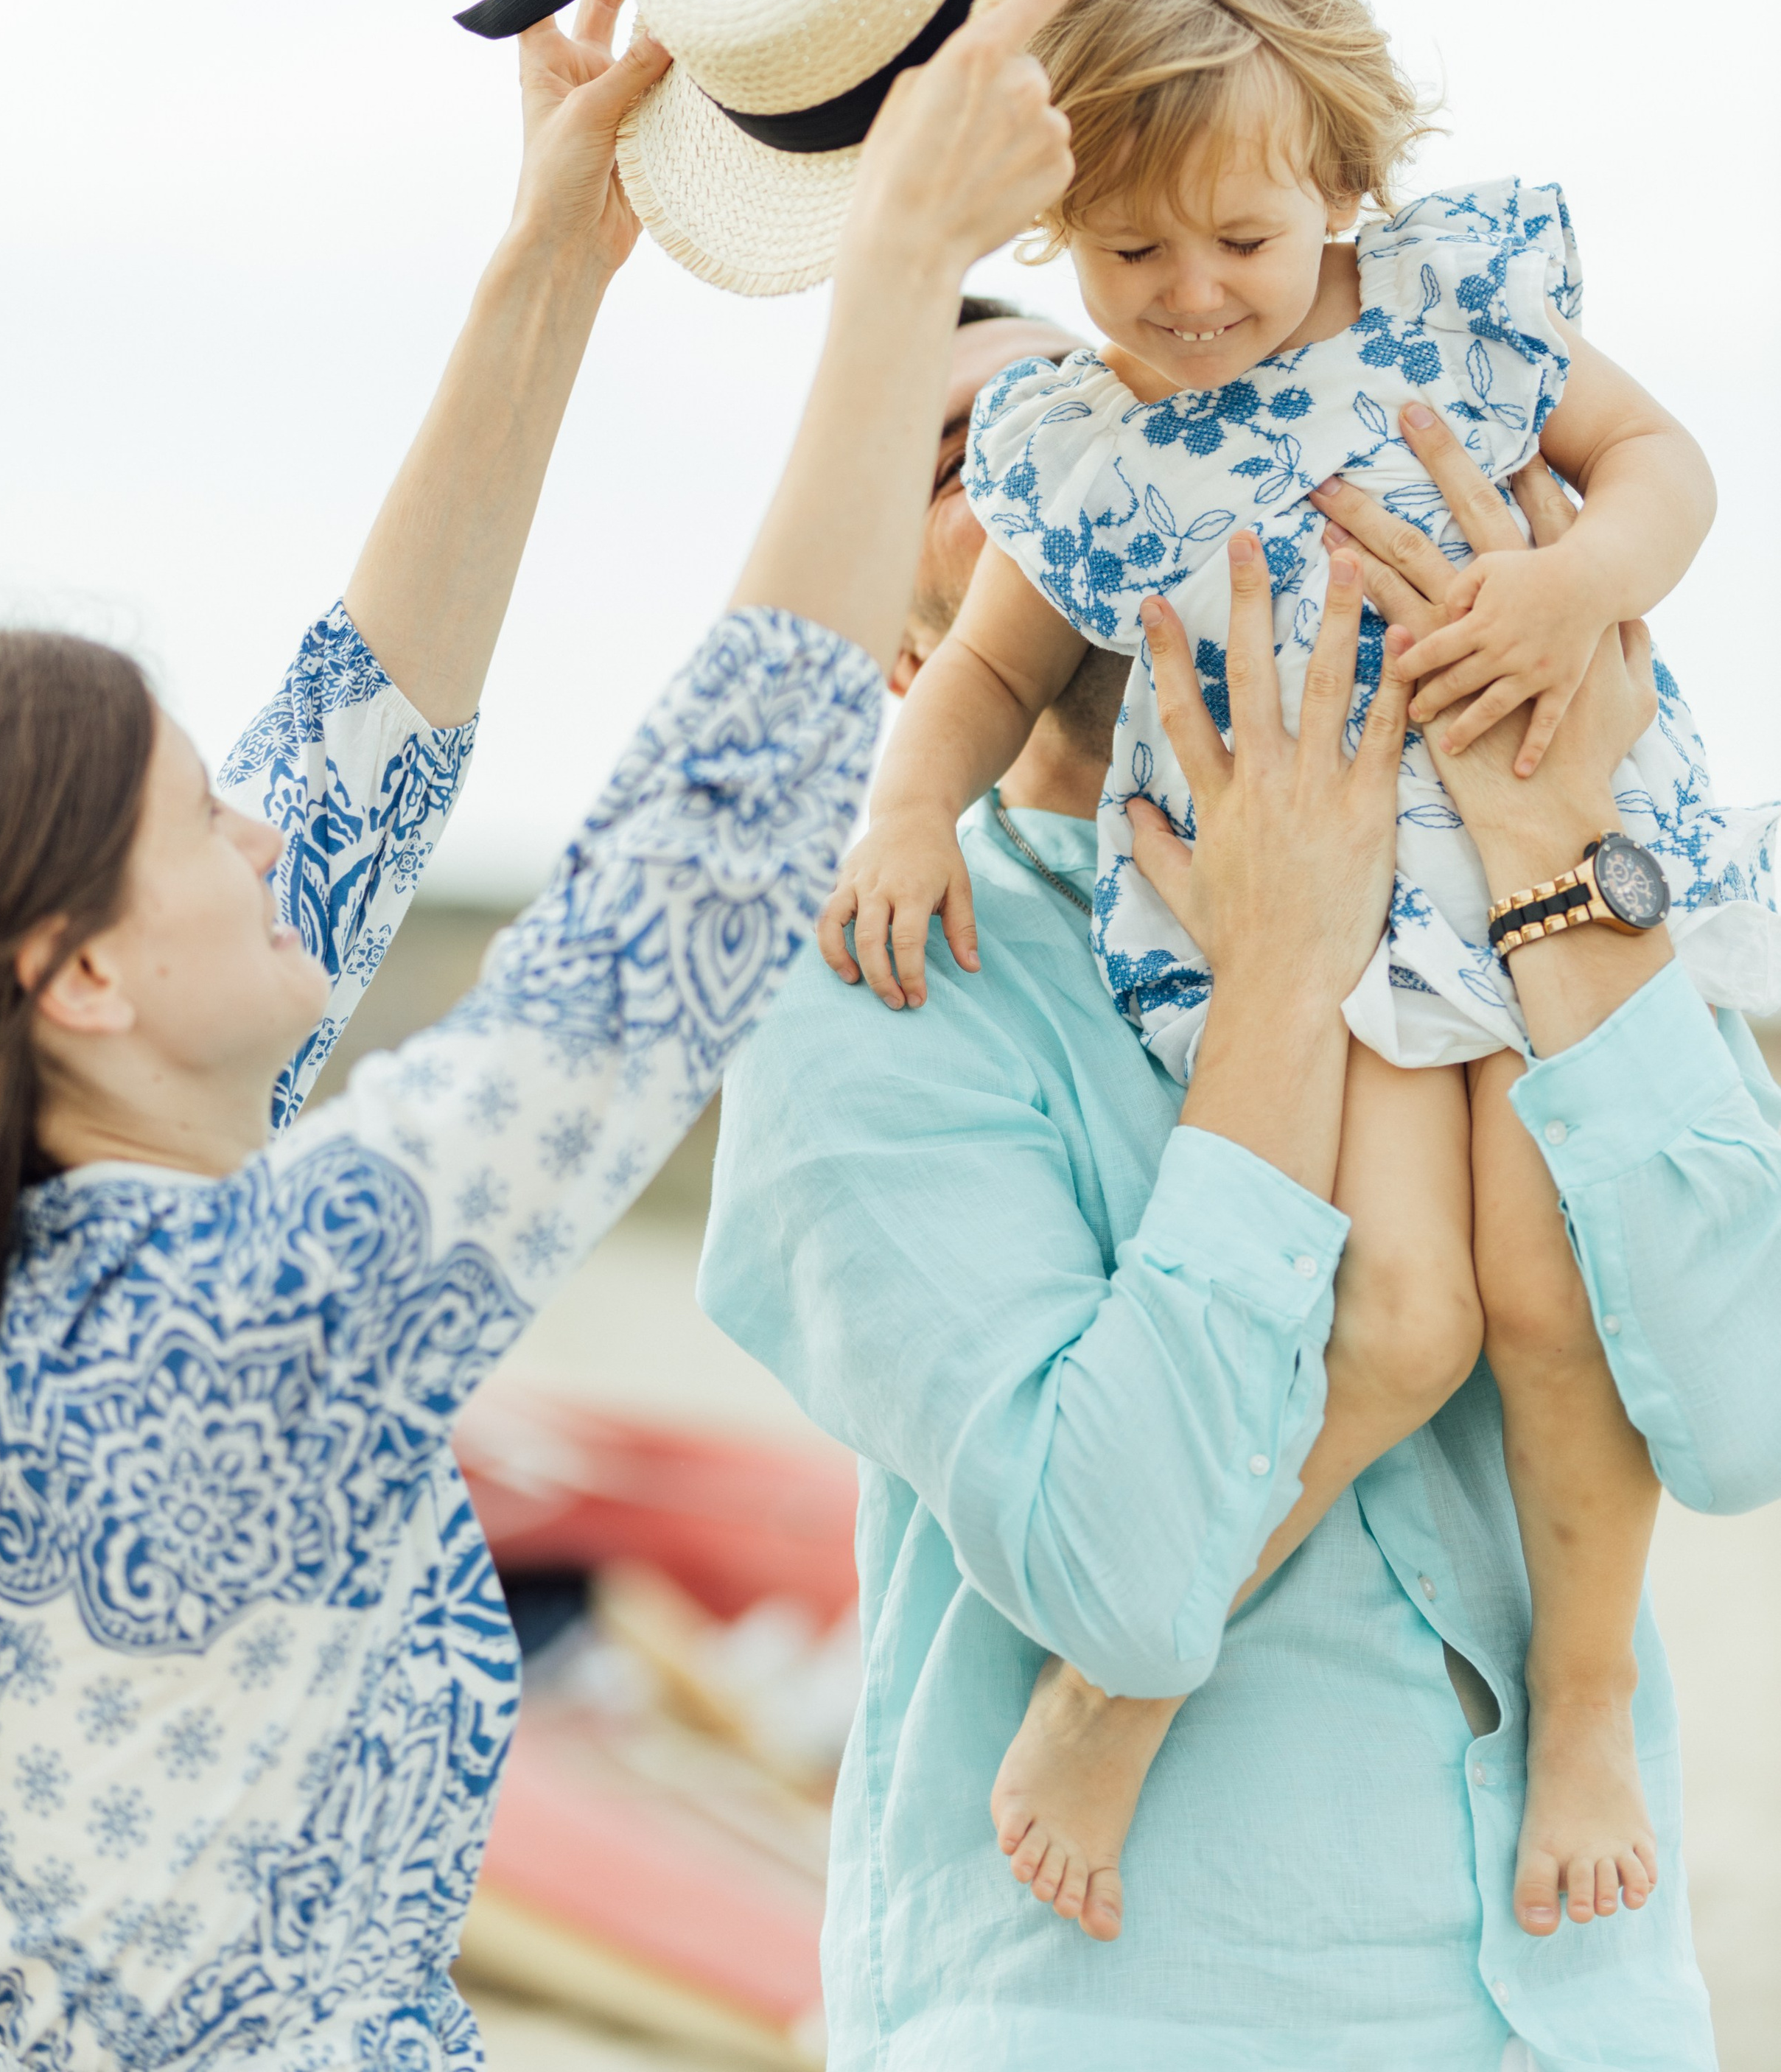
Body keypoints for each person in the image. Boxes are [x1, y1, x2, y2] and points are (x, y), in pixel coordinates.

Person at [0, 0, 1083, 2072]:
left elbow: (354, 750)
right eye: (194, 820)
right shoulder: (211, 1326)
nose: (263, 831)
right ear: (70, 975)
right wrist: (899, 277)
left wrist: (553, 254)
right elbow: (670, 910)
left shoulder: (53, 1275)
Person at [816, 0, 1777, 1943]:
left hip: (1523, 873)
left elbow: (1666, 466)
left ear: (1341, 183)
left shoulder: (1458, 309)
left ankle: (1587, 1704)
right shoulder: (1078, 449)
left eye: (1238, 244)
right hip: (1304, 916)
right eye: (1123, 249)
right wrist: (906, 812)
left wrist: (1582, 582)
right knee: (1406, 1310)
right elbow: (985, 675)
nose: (1179, 300)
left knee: (1550, 1292)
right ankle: (1131, 1683)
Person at [701, 391, 1781, 2071]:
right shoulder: (871, 989)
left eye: (1089, 410)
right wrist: (1278, 979)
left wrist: (1538, 848)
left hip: (1578, 2010)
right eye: (949, 468)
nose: (1055, 461)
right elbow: (1113, 1571)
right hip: (1125, 2015)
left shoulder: (1520, 867)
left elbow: (1742, 1419)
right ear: (917, 666)